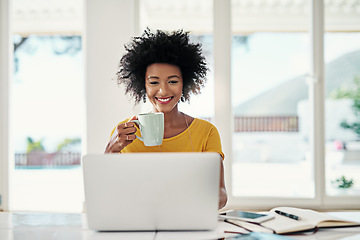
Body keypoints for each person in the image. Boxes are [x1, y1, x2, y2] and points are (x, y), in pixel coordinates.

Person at [105, 29, 227, 209]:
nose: (163, 91)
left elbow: (221, 196)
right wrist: (110, 151)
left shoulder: (206, 132)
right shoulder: (124, 133)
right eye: (154, 82)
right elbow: (108, 194)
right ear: (142, 85)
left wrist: (179, 200)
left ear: (185, 83)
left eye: (173, 81)